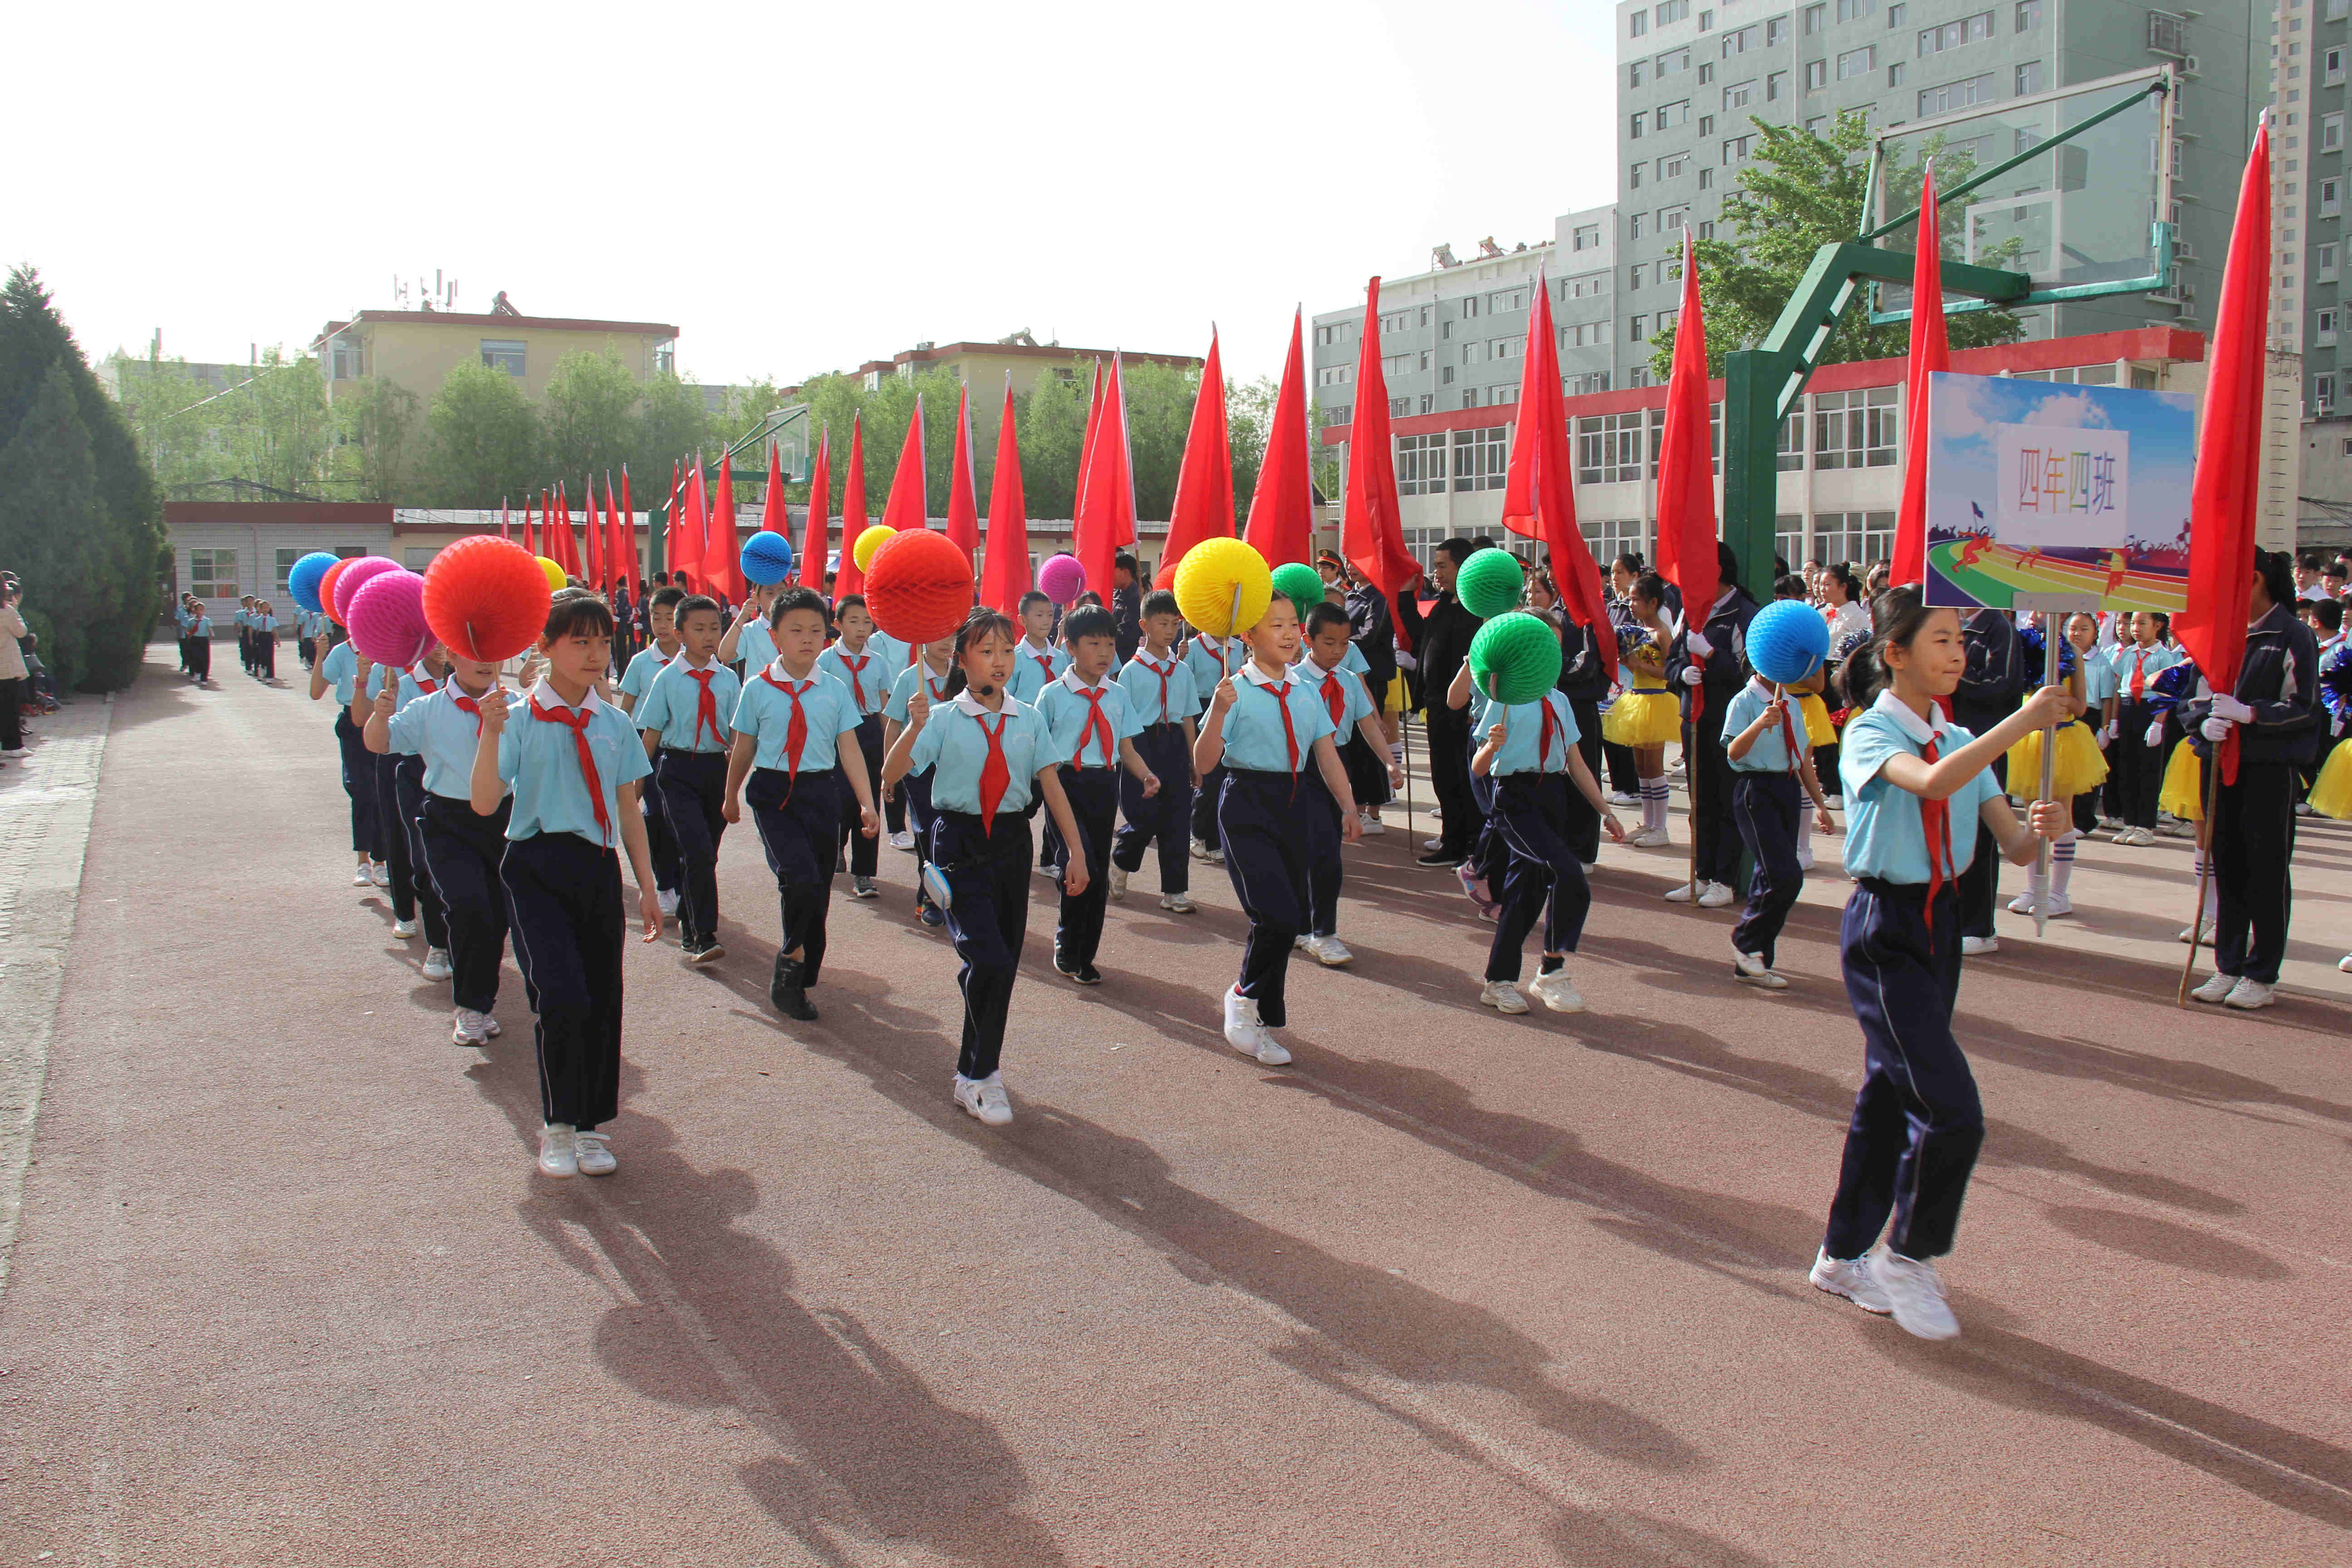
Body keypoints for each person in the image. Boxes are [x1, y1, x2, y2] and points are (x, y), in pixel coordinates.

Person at [1810, 586, 2071, 1340]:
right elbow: (1927, 783)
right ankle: (1907, 1253)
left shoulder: (1958, 736)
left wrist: (2042, 829)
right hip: (1884, 927)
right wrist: (2020, 722)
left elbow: (2012, 845)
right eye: (1940, 642)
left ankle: (1839, 1254)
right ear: (1893, 654)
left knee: (1887, 1098)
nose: (1957, 655)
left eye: (1961, 642)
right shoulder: (1869, 732)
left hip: (1940, 925)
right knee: (1949, 1109)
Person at [471, 591, 661, 1179]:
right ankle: (556, 1124)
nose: (595, 653)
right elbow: (483, 802)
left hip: (598, 870)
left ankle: (589, 1127)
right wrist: (488, 733)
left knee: (603, 998)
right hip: (535, 867)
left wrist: (647, 886)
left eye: (603, 641)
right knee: (561, 997)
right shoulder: (519, 717)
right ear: (545, 646)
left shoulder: (615, 723)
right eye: (579, 640)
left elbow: (629, 809)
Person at [882, 608, 1087, 1127]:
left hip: (1013, 844)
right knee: (990, 961)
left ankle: (978, 1073)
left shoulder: (1029, 717)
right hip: (958, 843)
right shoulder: (943, 716)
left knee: (1001, 965)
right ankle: (979, 1076)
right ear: (963, 658)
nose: (999, 662)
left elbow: (1052, 785)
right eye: (986, 651)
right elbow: (892, 775)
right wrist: (914, 727)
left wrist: (1077, 852)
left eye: (1006, 651)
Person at [1194, 595, 1361, 1067]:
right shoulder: (1235, 690)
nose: (1289, 634)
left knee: (1283, 921)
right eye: (1275, 625)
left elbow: (1326, 754)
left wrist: (1348, 806)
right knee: (1279, 917)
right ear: (1247, 636)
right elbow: (1203, 764)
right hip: (1247, 802)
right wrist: (1220, 712)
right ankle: (1242, 998)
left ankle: (1262, 1020)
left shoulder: (1306, 690)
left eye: (1292, 624)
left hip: (1295, 804)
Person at [724, 586, 876, 1020]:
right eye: (796, 630)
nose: (807, 639)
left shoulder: (833, 690)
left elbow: (849, 748)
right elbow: (744, 746)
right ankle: (788, 966)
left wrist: (866, 803)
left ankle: (804, 963)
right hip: (774, 795)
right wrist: (731, 795)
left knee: (818, 888)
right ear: (775, 637)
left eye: (815, 630)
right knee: (800, 876)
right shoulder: (756, 688)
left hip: (820, 792)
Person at [2181, 550, 2322, 1010]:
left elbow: (2304, 706)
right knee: (2229, 865)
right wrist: (2202, 723)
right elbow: (2192, 696)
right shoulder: (2221, 634)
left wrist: (2252, 714)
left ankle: (2261, 973)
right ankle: (2227, 964)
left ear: (2257, 579)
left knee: (2266, 870)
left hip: (2268, 769)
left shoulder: (2293, 634)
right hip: (2221, 765)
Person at [1470, 664, 1623, 1014]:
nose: (1549, 663)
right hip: (1514, 798)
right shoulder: (1503, 701)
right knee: (1569, 874)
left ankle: (1497, 982)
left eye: (1554, 652)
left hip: (1552, 795)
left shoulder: (1561, 701)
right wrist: (1492, 746)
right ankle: (1552, 970)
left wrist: (1607, 812)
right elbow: (1479, 768)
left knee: (1526, 894)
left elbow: (1577, 763)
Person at [377, 647, 512, 1045]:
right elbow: (380, 742)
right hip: (447, 822)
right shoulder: (427, 707)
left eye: (493, 650)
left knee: (496, 916)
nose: (486, 660)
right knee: (468, 906)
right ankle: (470, 1007)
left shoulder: (517, 706)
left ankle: (482, 1003)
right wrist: (380, 714)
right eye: (474, 652)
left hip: (505, 821)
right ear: (452, 655)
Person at [1033, 604, 1156, 984]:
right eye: (1093, 643)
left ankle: (1086, 954)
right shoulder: (1051, 695)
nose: (1104, 652)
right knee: (1077, 863)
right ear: (1071, 647)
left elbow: (1128, 747)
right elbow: (1038, 752)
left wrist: (1147, 776)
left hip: (1104, 786)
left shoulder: (1117, 695)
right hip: (1063, 785)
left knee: (1097, 873)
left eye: (1109, 643)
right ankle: (1067, 942)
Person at [1294, 602, 1405, 967]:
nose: (1338, 652)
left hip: (1338, 765)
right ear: (1307, 639)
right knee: (1307, 851)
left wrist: (1390, 762)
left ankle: (1323, 932)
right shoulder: (1292, 680)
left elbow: (1367, 724)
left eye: (1345, 644)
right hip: (1301, 768)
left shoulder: (1346, 679)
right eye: (1329, 643)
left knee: (1327, 852)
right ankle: (1303, 925)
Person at [633, 593, 740, 964]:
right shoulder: (666, 679)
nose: (709, 636)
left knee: (704, 855)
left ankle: (689, 921)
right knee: (695, 850)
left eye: (715, 628)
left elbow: (737, 734)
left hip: (715, 769)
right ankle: (703, 935)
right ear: (680, 634)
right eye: (699, 629)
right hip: (676, 769)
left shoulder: (728, 680)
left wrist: (734, 786)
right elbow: (651, 733)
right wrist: (635, 783)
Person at [1721, 668, 1837, 988]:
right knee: (1785, 875)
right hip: (1755, 789)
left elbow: (1801, 759)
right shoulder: (1744, 701)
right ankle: (1746, 940)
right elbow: (1733, 753)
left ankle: (1756, 960)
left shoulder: (1793, 703)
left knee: (1768, 875)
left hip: (1786, 788)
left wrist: (1820, 805)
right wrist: (1760, 724)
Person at [1666, 544, 1759, 907]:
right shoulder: (1691, 613)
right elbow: (1671, 661)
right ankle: (1701, 875)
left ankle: (1725, 879)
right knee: (1699, 800)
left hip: (1729, 723)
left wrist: (1711, 656)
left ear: (1718, 570)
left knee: (1726, 800)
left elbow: (1747, 674)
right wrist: (1681, 674)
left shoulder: (1745, 614)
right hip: (1695, 719)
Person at [2003, 617, 2108, 919]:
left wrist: (2055, 698)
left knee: (2060, 814)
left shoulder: (2071, 652)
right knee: (2033, 813)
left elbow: (2081, 706)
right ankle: (2034, 888)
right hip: (2031, 738)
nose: (2035, 616)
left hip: (2063, 738)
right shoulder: (2024, 644)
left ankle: (2058, 893)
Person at [1396, 541, 1484, 867]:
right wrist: (1406, 597)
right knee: (1443, 775)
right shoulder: (1444, 604)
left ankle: (1465, 842)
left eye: (1443, 565)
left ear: (1463, 567)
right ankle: (1452, 834)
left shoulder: (1476, 611)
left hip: (1461, 709)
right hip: (1435, 705)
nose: (1437, 572)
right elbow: (1423, 637)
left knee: (1460, 776)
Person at [1948, 601, 2029, 955]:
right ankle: (1957, 918)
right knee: (1954, 830)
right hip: (1952, 743)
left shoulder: (2000, 629)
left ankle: (1981, 927)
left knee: (1982, 834)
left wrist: (1954, 675)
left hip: (1984, 745)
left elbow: (2002, 687)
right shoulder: (1957, 627)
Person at [1112, 590, 1200, 913]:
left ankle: (1175, 891)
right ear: (1144, 625)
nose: (1170, 631)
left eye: (1175, 624)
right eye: (1163, 623)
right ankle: (1122, 861)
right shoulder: (1131, 673)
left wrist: (1194, 759)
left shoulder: (1183, 671)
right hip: (1140, 744)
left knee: (1177, 819)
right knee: (1144, 817)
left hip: (1173, 743)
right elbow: (1123, 721)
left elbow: (1189, 717)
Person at [617, 584, 686, 917]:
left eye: (668, 617)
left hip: (688, 745)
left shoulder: (699, 659)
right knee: (656, 814)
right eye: (656, 617)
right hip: (650, 744)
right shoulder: (642, 662)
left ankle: (686, 880)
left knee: (683, 818)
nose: (661, 624)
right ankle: (666, 884)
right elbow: (626, 708)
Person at [817, 594, 890, 900]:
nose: (862, 628)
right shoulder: (825, 661)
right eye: (854, 621)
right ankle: (836, 845)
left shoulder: (878, 662)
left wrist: (890, 748)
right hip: (835, 734)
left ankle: (864, 873)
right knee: (840, 798)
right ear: (838, 624)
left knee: (869, 801)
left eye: (867, 622)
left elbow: (885, 706)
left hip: (869, 730)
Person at [1603, 577, 1683, 853]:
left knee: (1654, 766)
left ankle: (1660, 827)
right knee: (1641, 769)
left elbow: (1671, 672)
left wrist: (1640, 665)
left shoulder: (1662, 634)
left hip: (1655, 701)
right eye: (1631, 599)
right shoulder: (1639, 631)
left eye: (1637, 600)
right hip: (1635, 699)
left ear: (1653, 602)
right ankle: (1649, 823)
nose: (1632, 605)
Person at [883, 635, 958, 925]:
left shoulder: (961, 675)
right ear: (923, 640)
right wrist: (889, 773)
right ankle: (931, 898)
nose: (947, 643)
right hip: (917, 769)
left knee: (950, 831)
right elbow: (893, 725)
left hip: (952, 765)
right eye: (939, 637)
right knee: (927, 830)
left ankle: (936, 893)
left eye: (952, 636)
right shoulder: (909, 678)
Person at [311, 620, 388, 886]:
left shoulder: (388, 651)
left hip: (382, 721)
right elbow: (316, 692)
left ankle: (381, 862)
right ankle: (363, 862)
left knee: (382, 791)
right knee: (361, 790)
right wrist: (320, 655)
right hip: (353, 726)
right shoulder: (342, 652)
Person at [2105, 612, 2179, 845]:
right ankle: (2130, 822)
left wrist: (2158, 723)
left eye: (2141, 623)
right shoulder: (2128, 654)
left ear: (2157, 626)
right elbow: (2119, 685)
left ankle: (2146, 825)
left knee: (2148, 769)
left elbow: (2168, 692)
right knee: (2127, 767)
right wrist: (2115, 720)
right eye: (2132, 623)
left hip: (2150, 708)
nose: (2135, 628)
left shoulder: (2163, 656)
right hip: (2128, 707)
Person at [1183, 616, 1247, 863]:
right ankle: (1199, 831)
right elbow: (1186, 680)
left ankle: (1214, 837)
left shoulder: (1238, 646)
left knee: (1224, 774)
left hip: (1231, 709)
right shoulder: (1195, 646)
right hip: (1203, 709)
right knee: (1207, 775)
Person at [0, 579, 26, 755]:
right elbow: (21, 632)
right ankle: (12, 746)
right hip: (6, 667)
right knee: (10, 707)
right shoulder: (6, 611)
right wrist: (15, 610)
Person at [1111, 552, 1144, 665]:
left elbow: (1129, 632)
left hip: (1128, 659)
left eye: (1113, 571)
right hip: (1115, 658)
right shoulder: (1116, 596)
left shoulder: (1137, 599)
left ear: (1125, 572)